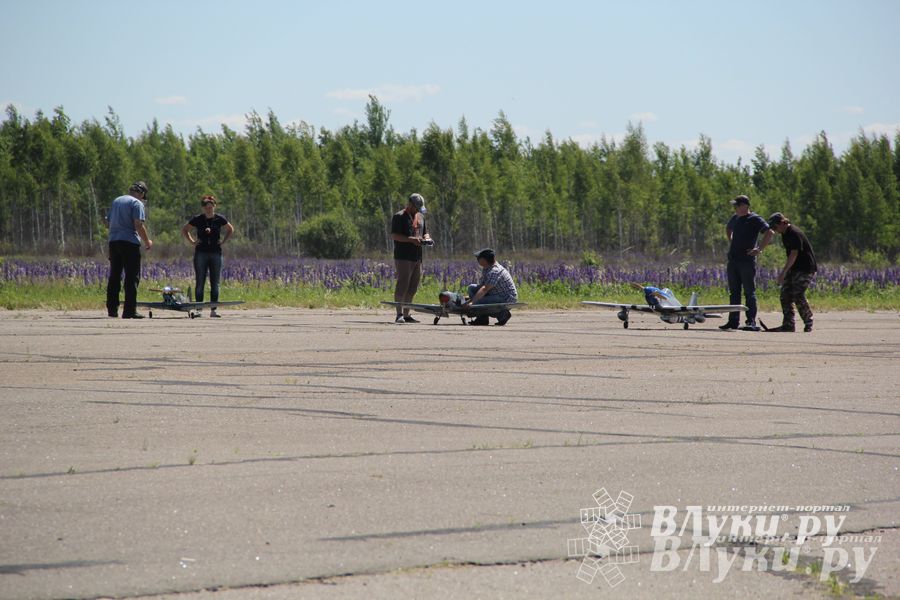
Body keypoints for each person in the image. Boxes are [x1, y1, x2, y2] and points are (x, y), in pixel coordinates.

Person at [720, 194, 773, 331]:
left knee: (749, 292)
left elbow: (769, 232)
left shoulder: (754, 219)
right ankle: (733, 321)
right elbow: (728, 228)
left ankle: (750, 321)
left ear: (745, 206)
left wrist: (759, 249)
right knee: (734, 292)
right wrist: (731, 240)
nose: (735, 208)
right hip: (733, 260)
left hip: (747, 261)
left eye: (737, 205)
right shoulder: (735, 218)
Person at [181, 195, 234, 317]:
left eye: (211, 207)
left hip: (216, 252)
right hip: (201, 252)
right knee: (200, 281)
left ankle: (213, 309)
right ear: (203, 208)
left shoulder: (220, 219)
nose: (209, 209)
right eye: (206, 207)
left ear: (214, 206)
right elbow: (185, 230)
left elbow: (230, 229)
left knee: (215, 282)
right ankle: (199, 309)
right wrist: (192, 241)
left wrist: (224, 241)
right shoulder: (198, 219)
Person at [105, 181, 153, 318]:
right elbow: (138, 224)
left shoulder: (117, 201)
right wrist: (147, 241)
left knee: (114, 276)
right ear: (142, 193)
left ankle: (112, 309)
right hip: (129, 243)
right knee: (131, 277)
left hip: (114, 242)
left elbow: (107, 223)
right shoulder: (137, 203)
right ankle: (129, 311)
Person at [766, 213, 817, 332]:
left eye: (775, 227)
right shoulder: (785, 234)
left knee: (798, 294)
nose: (775, 230)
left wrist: (783, 272)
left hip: (805, 268)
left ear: (783, 223)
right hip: (794, 268)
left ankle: (808, 320)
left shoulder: (794, 233)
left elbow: (794, 254)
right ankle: (788, 324)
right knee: (785, 295)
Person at [390, 193, 432, 324]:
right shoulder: (399, 216)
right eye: (416, 207)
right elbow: (394, 236)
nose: (418, 210)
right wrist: (411, 240)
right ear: (410, 204)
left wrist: (427, 238)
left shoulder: (420, 217)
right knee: (403, 284)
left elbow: (425, 231)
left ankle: (407, 314)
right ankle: (399, 314)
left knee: (413, 286)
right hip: (403, 257)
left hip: (417, 257)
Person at [464, 248, 518, 326]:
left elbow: (485, 289)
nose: (477, 260)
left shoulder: (495, 271)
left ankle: (502, 315)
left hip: (506, 297)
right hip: (496, 294)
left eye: (478, 258)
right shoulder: (487, 269)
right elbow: (481, 287)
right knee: (471, 288)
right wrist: (469, 299)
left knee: (478, 302)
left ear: (484, 260)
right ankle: (482, 318)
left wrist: (472, 302)